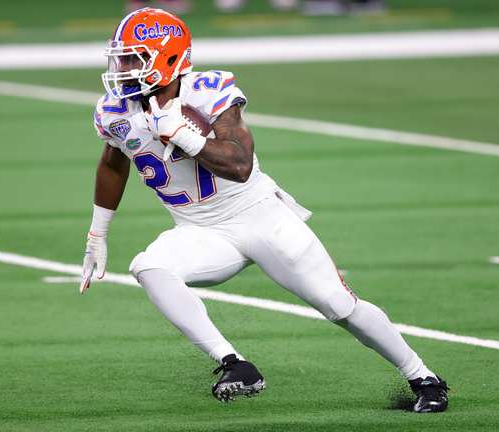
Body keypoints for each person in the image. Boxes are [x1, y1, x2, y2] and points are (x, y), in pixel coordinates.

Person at [81, 7, 450, 412]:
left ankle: (424, 378)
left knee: (338, 305)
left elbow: (239, 165)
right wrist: (98, 232)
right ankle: (235, 365)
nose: (123, 67)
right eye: (122, 57)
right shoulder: (115, 109)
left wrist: (185, 135)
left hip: (259, 215)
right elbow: (113, 161)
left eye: (135, 57)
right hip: (200, 230)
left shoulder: (206, 91)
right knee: (149, 267)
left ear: (169, 57)